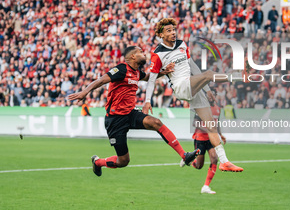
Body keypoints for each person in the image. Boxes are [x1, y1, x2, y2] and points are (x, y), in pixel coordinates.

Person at [68, 46, 199, 176]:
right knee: (123, 161)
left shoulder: (136, 72)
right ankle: (98, 162)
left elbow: (147, 77)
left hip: (130, 113)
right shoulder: (121, 69)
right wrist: (84, 92)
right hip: (115, 119)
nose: (144, 53)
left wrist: (163, 72)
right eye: (141, 52)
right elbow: (102, 80)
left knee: (156, 123)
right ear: (133, 56)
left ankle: (184, 155)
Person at [142, 18, 243, 172]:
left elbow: (193, 67)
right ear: (161, 34)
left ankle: (224, 161)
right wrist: (147, 100)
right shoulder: (157, 54)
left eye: (174, 29)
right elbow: (152, 79)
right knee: (209, 73)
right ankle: (236, 77)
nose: (173, 33)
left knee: (211, 124)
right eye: (168, 30)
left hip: (193, 83)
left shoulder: (182, 44)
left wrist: (208, 90)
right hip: (181, 86)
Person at [190, 103, 227, 194]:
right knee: (199, 166)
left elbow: (216, 123)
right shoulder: (201, 108)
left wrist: (220, 134)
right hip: (200, 138)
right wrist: (207, 129)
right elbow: (194, 123)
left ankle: (206, 186)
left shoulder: (217, 109)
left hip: (211, 138)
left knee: (214, 159)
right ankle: (189, 159)